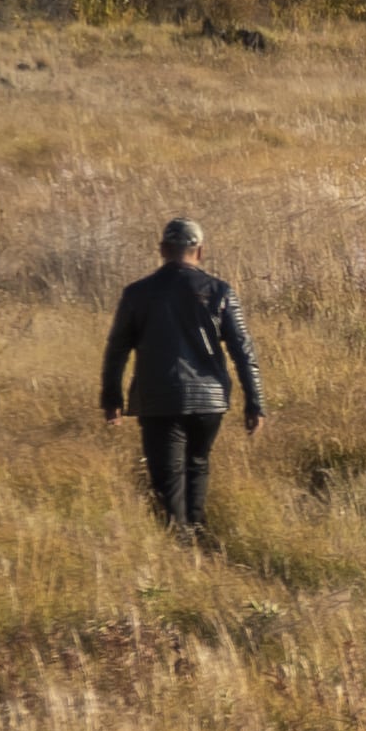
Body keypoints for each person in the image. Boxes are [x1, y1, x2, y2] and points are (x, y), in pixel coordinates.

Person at [99, 217, 264, 535]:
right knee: (197, 465)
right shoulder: (220, 291)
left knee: (168, 475)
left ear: (162, 249)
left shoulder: (137, 293)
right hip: (210, 401)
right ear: (199, 252)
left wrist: (112, 398)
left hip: (160, 398)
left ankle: (179, 543)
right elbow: (244, 351)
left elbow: (116, 348)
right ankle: (196, 532)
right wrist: (255, 403)